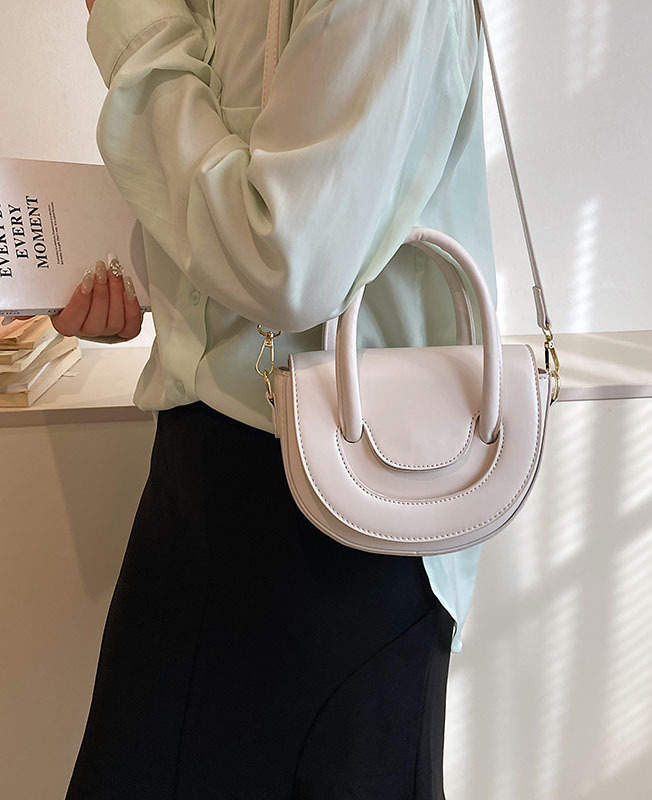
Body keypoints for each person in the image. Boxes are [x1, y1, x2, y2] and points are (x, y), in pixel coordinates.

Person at [42, 0, 498, 797]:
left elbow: (288, 263)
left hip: (351, 516)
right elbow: (246, 230)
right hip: (199, 477)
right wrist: (126, 275)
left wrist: (138, 24)